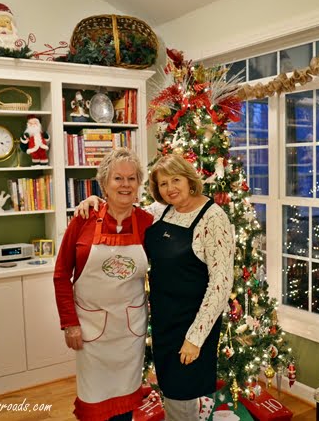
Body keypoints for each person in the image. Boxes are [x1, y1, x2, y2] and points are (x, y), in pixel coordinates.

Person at [76, 154, 235, 421]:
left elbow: (221, 284)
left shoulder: (213, 218)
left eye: (176, 180)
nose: (170, 188)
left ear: (189, 179)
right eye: (163, 184)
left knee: (182, 398)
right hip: (164, 325)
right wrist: (96, 203)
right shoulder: (163, 211)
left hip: (191, 327)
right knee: (171, 395)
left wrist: (195, 338)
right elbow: (124, 209)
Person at [54, 148, 154, 421]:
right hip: (90, 331)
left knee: (124, 405)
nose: (125, 185)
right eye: (118, 179)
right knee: (94, 403)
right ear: (104, 185)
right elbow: (62, 274)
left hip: (129, 331)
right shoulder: (84, 218)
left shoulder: (148, 222)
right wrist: (70, 323)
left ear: (138, 185)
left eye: (132, 179)